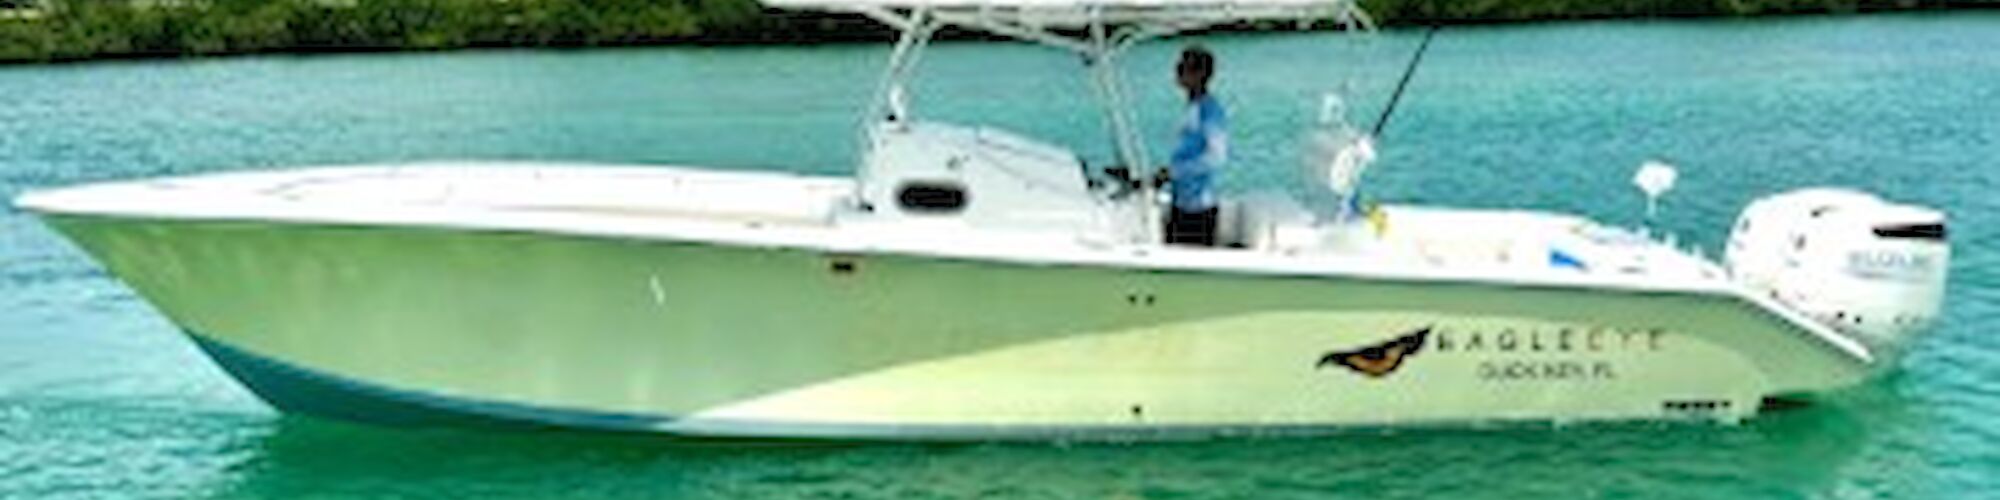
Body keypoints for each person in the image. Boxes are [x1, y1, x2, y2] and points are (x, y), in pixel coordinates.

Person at [1162, 45, 1228, 246]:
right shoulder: (1192, 107)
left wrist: (1175, 172)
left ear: (1200, 74)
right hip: (1180, 202)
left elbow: (1216, 157)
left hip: (1198, 208)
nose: (1178, 73)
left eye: (1184, 68)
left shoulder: (1211, 111)